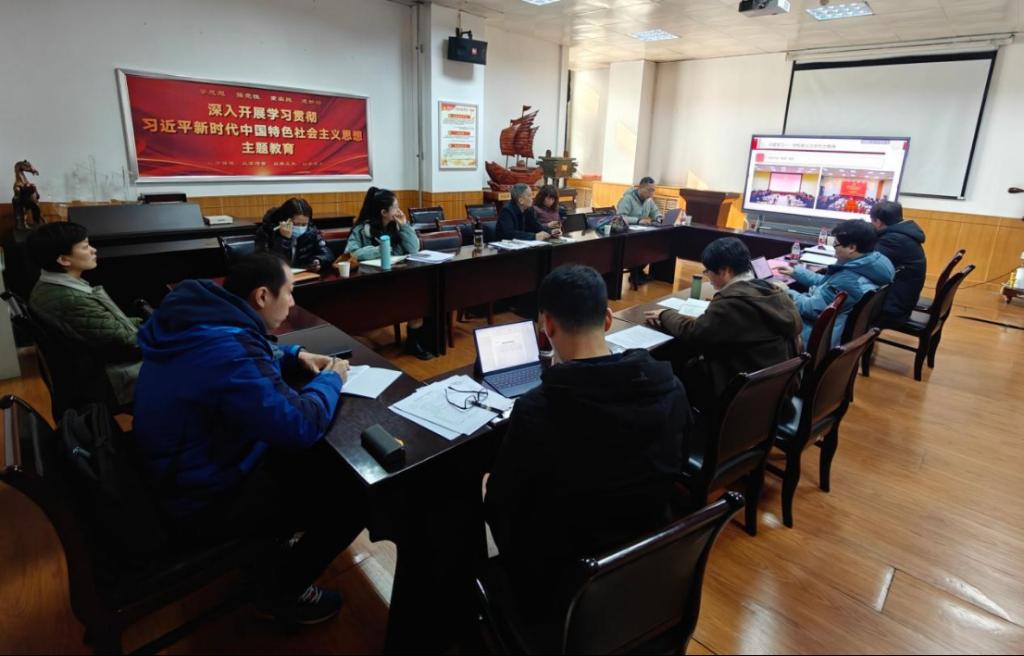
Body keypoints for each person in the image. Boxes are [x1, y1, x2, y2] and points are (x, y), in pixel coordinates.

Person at [133, 253, 360, 624]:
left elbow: (250, 350)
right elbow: (299, 425)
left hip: (183, 467)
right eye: (289, 292)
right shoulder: (226, 349)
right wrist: (332, 378)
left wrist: (296, 354)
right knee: (351, 497)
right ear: (262, 296)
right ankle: (283, 592)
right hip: (202, 498)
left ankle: (275, 546)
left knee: (318, 461)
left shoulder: (202, 317)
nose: (293, 302)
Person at [485, 265, 688, 618]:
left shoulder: (538, 409)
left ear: (547, 326)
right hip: (646, 560)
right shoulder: (671, 388)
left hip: (562, 584)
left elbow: (502, 508)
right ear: (608, 319)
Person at [644, 238, 802, 412]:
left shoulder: (733, 302)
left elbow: (695, 333)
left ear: (725, 270)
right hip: (776, 389)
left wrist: (665, 314)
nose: (707, 276)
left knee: (670, 367)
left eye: (708, 271)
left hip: (744, 398)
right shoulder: (772, 291)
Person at [26, 221, 143, 406]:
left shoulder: (47, 285)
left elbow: (110, 329)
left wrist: (148, 322)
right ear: (64, 260)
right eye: (86, 246)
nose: (93, 250)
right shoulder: (71, 300)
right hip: (108, 380)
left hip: (91, 368)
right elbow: (129, 343)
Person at [346, 187, 434, 359]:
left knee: (418, 297)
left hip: (398, 277)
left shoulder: (398, 226)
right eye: (395, 207)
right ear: (384, 212)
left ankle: (413, 341)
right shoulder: (362, 230)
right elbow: (351, 253)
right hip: (370, 282)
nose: (399, 211)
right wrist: (379, 250)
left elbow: (413, 249)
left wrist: (405, 226)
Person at [778, 220, 895, 347]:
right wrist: (796, 272)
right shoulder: (869, 264)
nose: (834, 250)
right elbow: (827, 283)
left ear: (851, 248)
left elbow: (811, 309)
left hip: (816, 336)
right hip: (832, 328)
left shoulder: (849, 280)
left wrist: (784, 291)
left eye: (835, 244)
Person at [870, 200, 926, 327]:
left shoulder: (893, 239)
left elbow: (871, 265)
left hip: (894, 307)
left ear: (878, 222)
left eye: (872, 221)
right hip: (902, 297)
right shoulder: (904, 232)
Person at [255, 197, 335, 272]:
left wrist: (318, 260)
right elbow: (268, 263)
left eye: (304, 224)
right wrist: (285, 239)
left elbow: (327, 253)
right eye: (296, 224)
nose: (300, 228)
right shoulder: (267, 232)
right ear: (283, 220)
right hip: (277, 278)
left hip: (303, 276)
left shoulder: (311, 231)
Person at [616, 176, 663, 285]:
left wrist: (659, 217)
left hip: (641, 233)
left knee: (654, 246)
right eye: (649, 190)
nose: (651, 193)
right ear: (641, 188)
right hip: (628, 235)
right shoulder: (628, 199)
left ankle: (639, 271)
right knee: (642, 248)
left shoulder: (649, 200)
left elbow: (655, 212)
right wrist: (638, 220)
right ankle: (635, 272)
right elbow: (620, 217)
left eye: (653, 190)